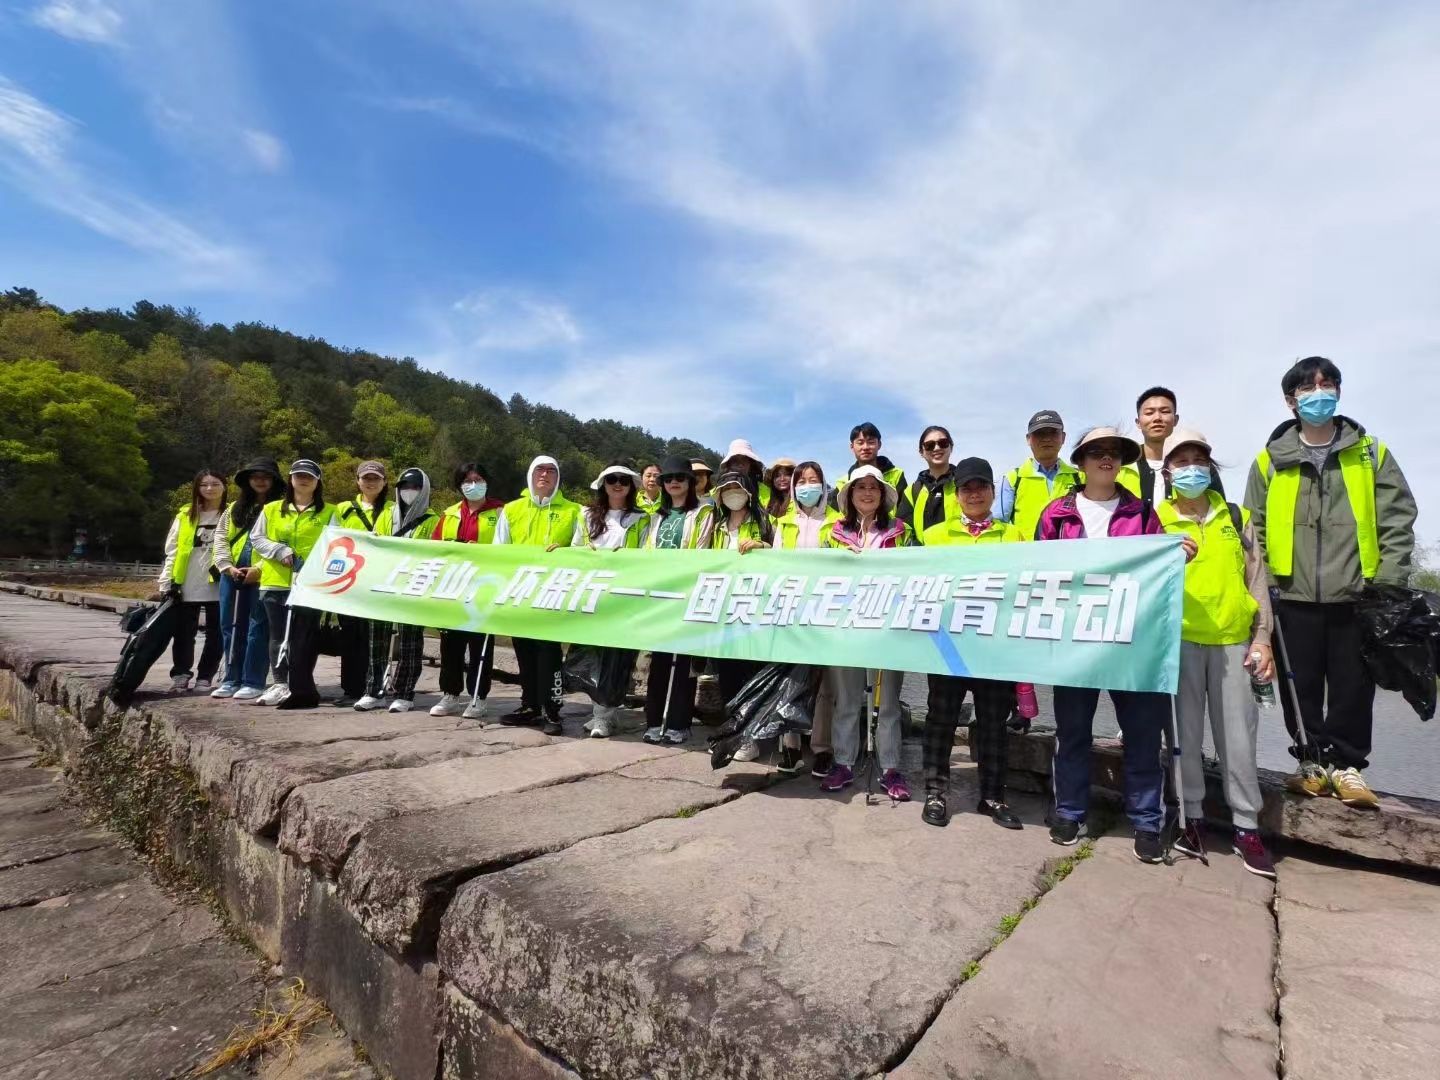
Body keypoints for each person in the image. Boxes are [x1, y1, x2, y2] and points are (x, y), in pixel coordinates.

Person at [1245, 356, 1417, 808]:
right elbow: (1254, 530)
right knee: (1297, 686)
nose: (1318, 393)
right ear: (1290, 401)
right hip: (1292, 593)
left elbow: (1397, 521)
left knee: (1352, 684)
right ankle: (1310, 762)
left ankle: (1348, 766)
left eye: (1327, 384)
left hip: (1356, 594)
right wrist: (1263, 592)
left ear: (1338, 391)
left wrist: (1388, 584)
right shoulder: (1269, 462)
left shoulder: (1370, 452)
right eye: (1307, 388)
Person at [1036, 427, 1169, 863]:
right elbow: (1039, 570)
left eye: (1114, 453)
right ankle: (1070, 811)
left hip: (1132, 640)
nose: (1106, 459)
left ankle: (1148, 821)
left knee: (1143, 734)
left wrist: (1176, 555)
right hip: (1075, 641)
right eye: (1096, 452)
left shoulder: (1143, 512)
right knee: (1072, 732)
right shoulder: (1056, 514)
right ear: (1081, 460)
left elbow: (1157, 574)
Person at [1158, 429, 1277, 877]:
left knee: (1239, 738)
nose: (1191, 468)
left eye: (1198, 460)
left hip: (1233, 640)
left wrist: (1262, 636)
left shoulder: (1235, 515)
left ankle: (1247, 826)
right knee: (1183, 737)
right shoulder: (1157, 519)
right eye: (1181, 461)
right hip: (1180, 641)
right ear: (1167, 471)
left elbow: (1257, 581)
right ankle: (1191, 818)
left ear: (1210, 467)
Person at [918, 458, 1023, 830]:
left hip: (994, 647)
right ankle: (935, 792)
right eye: (966, 487)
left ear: (993, 492)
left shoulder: (1014, 535)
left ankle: (993, 796)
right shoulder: (933, 536)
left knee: (993, 723)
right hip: (946, 646)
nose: (974, 493)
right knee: (940, 720)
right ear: (956, 493)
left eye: (981, 486)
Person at [821, 465, 914, 800]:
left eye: (874, 487)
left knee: (887, 703)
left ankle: (890, 768)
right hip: (844, 630)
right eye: (860, 487)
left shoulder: (901, 531)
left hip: (887, 629)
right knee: (845, 701)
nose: (867, 492)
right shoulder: (831, 534)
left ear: (883, 495)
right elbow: (817, 573)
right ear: (849, 495)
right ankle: (843, 762)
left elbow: (917, 571)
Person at [494, 455, 583, 735]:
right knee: (524, 651)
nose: (545, 475)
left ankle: (552, 710)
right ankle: (529, 705)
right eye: (539, 470)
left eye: (551, 471)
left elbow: (582, 551)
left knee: (548, 653)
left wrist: (566, 552)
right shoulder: (511, 509)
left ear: (558, 477)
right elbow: (499, 550)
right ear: (531, 475)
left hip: (553, 594)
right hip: (521, 593)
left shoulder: (574, 511)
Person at [249, 459, 337, 708]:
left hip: (310, 583)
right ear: (290, 479)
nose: (303, 479)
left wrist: (315, 565)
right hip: (276, 580)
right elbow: (257, 538)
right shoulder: (272, 509)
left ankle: (301, 684)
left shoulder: (330, 511)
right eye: (298, 475)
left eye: (309, 476)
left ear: (317, 481)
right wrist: (279, 550)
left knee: (305, 637)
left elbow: (336, 545)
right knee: (278, 635)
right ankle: (279, 683)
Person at [640, 455, 716, 745]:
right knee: (659, 660)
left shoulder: (703, 514)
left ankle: (679, 723)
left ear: (690, 482)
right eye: (668, 478)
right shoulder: (656, 517)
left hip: (688, 593)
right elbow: (649, 552)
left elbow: (701, 549)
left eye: (680, 478)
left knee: (683, 663)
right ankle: (654, 720)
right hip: (660, 595)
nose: (673, 482)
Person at [772, 461, 841, 775]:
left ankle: (822, 747)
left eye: (814, 480)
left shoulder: (837, 522)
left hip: (826, 610)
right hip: (790, 609)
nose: (807, 486)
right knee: (790, 680)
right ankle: (790, 747)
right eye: (801, 481)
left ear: (823, 485)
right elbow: (774, 564)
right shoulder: (783, 523)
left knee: (826, 684)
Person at [353, 468, 439, 713]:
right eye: (404, 487)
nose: (408, 492)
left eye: (414, 488)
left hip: (413, 587)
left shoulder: (432, 519)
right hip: (383, 584)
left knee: (410, 642)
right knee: (376, 641)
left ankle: (404, 692)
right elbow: (376, 542)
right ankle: (373, 691)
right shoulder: (387, 515)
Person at [575, 463, 650, 738]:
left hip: (622, 596)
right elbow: (576, 547)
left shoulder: (643, 518)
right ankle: (601, 711)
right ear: (603, 484)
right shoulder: (585, 515)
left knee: (617, 658)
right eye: (611, 479)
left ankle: (604, 715)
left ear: (631, 486)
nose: (617, 484)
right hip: (592, 594)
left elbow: (646, 552)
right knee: (593, 656)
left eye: (624, 480)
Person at [429, 462, 506, 721]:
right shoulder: (449, 513)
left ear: (487, 482)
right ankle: (450, 694)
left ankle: (478, 697)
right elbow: (434, 549)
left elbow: (508, 548)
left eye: (478, 479)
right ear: (459, 484)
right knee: (450, 644)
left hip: (485, 587)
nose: (473, 485)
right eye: (467, 480)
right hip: (453, 588)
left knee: (480, 645)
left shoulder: (501, 511)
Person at [210, 458, 283, 701]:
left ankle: (253, 680)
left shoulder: (281, 509)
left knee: (258, 626)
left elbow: (284, 543)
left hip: (264, 574)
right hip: (232, 573)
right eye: (255, 476)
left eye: (266, 476)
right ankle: (231, 678)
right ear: (247, 481)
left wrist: (260, 568)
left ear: (274, 481)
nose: (260, 480)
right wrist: (226, 565)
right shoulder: (234, 508)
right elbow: (220, 538)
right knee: (229, 625)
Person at [156, 469, 227, 693]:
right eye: (204, 485)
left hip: (218, 582)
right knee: (184, 632)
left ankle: (206, 676)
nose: (209, 489)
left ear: (224, 487)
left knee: (217, 633)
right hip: (187, 581)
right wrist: (166, 581)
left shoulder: (231, 514)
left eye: (215, 484)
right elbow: (174, 550)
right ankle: (181, 674)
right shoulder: (185, 515)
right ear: (197, 488)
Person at [334, 461, 392, 708]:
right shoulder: (343, 508)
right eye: (366, 478)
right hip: (350, 580)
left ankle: (375, 686)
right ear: (357, 480)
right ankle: (351, 688)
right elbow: (334, 540)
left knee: (376, 638)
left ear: (384, 482)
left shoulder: (393, 508)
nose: (371, 482)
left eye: (376, 478)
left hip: (380, 581)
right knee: (351, 636)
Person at [998, 409, 1082, 540]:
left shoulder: (1080, 477)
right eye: (1040, 433)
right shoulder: (1013, 478)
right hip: (1026, 557)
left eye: (1053, 433)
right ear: (1028, 439)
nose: (1047, 438)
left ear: (1063, 437)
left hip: (1070, 555)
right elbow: (999, 525)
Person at [1118, 387, 1179, 509]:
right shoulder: (1119, 465)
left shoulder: (1196, 465)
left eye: (1165, 411)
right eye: (1149, 413)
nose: (1157, 418)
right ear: (1138, 422)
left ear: (1176, 420)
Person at [903, 425, 962, 540]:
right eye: (929, 445)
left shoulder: (964, 484)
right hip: (924, 556)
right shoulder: (912, 491)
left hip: (959, 555)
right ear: (921, 452)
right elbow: (903, 531)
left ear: (951, 447)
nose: (936, 448)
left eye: (943, 443)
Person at [832, 422, 907, 509]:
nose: (865, 447)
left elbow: (904, 512)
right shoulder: (843, 483)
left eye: (871, 442)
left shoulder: (896, 476)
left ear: (879, 445)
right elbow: (833, 516)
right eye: (860, 443)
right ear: (852, 447)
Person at [719, 440, 772, 507]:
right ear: (729, 464)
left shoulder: (765, 492)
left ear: (751, 463)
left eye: (744, 459)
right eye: (735, 460)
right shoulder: (718, 492)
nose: (740, 465)